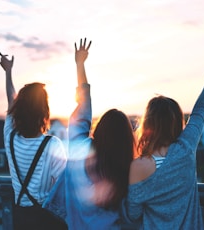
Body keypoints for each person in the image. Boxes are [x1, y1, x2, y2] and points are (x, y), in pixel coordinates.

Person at [121, 38, 204, 229]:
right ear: (176, 122)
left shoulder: (138, 166)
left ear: (148, 123)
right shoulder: (185, 148)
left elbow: (133, 214)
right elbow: (201, 106)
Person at [44, 38, 136, 229]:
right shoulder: (125, 168)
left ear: (100, 128)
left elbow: (83, 106)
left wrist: (80, 64)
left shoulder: (80, 149)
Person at [0, 50, 67, 229]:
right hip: (46, 219)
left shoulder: (10, 137)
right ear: (44, 112)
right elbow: (63, 187)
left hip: (19, 217)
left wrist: (8, 72)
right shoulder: (53, 145)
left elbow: (11, 103)